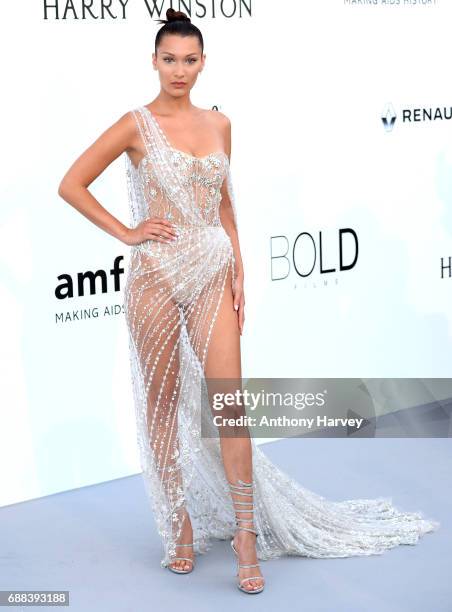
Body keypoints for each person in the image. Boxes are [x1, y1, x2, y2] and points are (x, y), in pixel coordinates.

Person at [58, 8, 439, 596]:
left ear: (203, 62)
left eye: (189, 60)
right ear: (153, 61)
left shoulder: (220, 124)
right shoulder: (134, 124)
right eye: (169, 59)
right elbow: (71, 183)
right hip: (156, 276)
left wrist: (241, 272)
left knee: (228, 407)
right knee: (162, 407)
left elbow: (227, 208)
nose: (179, 70)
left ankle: (244, 533)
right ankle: (178, 522)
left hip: (213, 271)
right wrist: (128, 231)